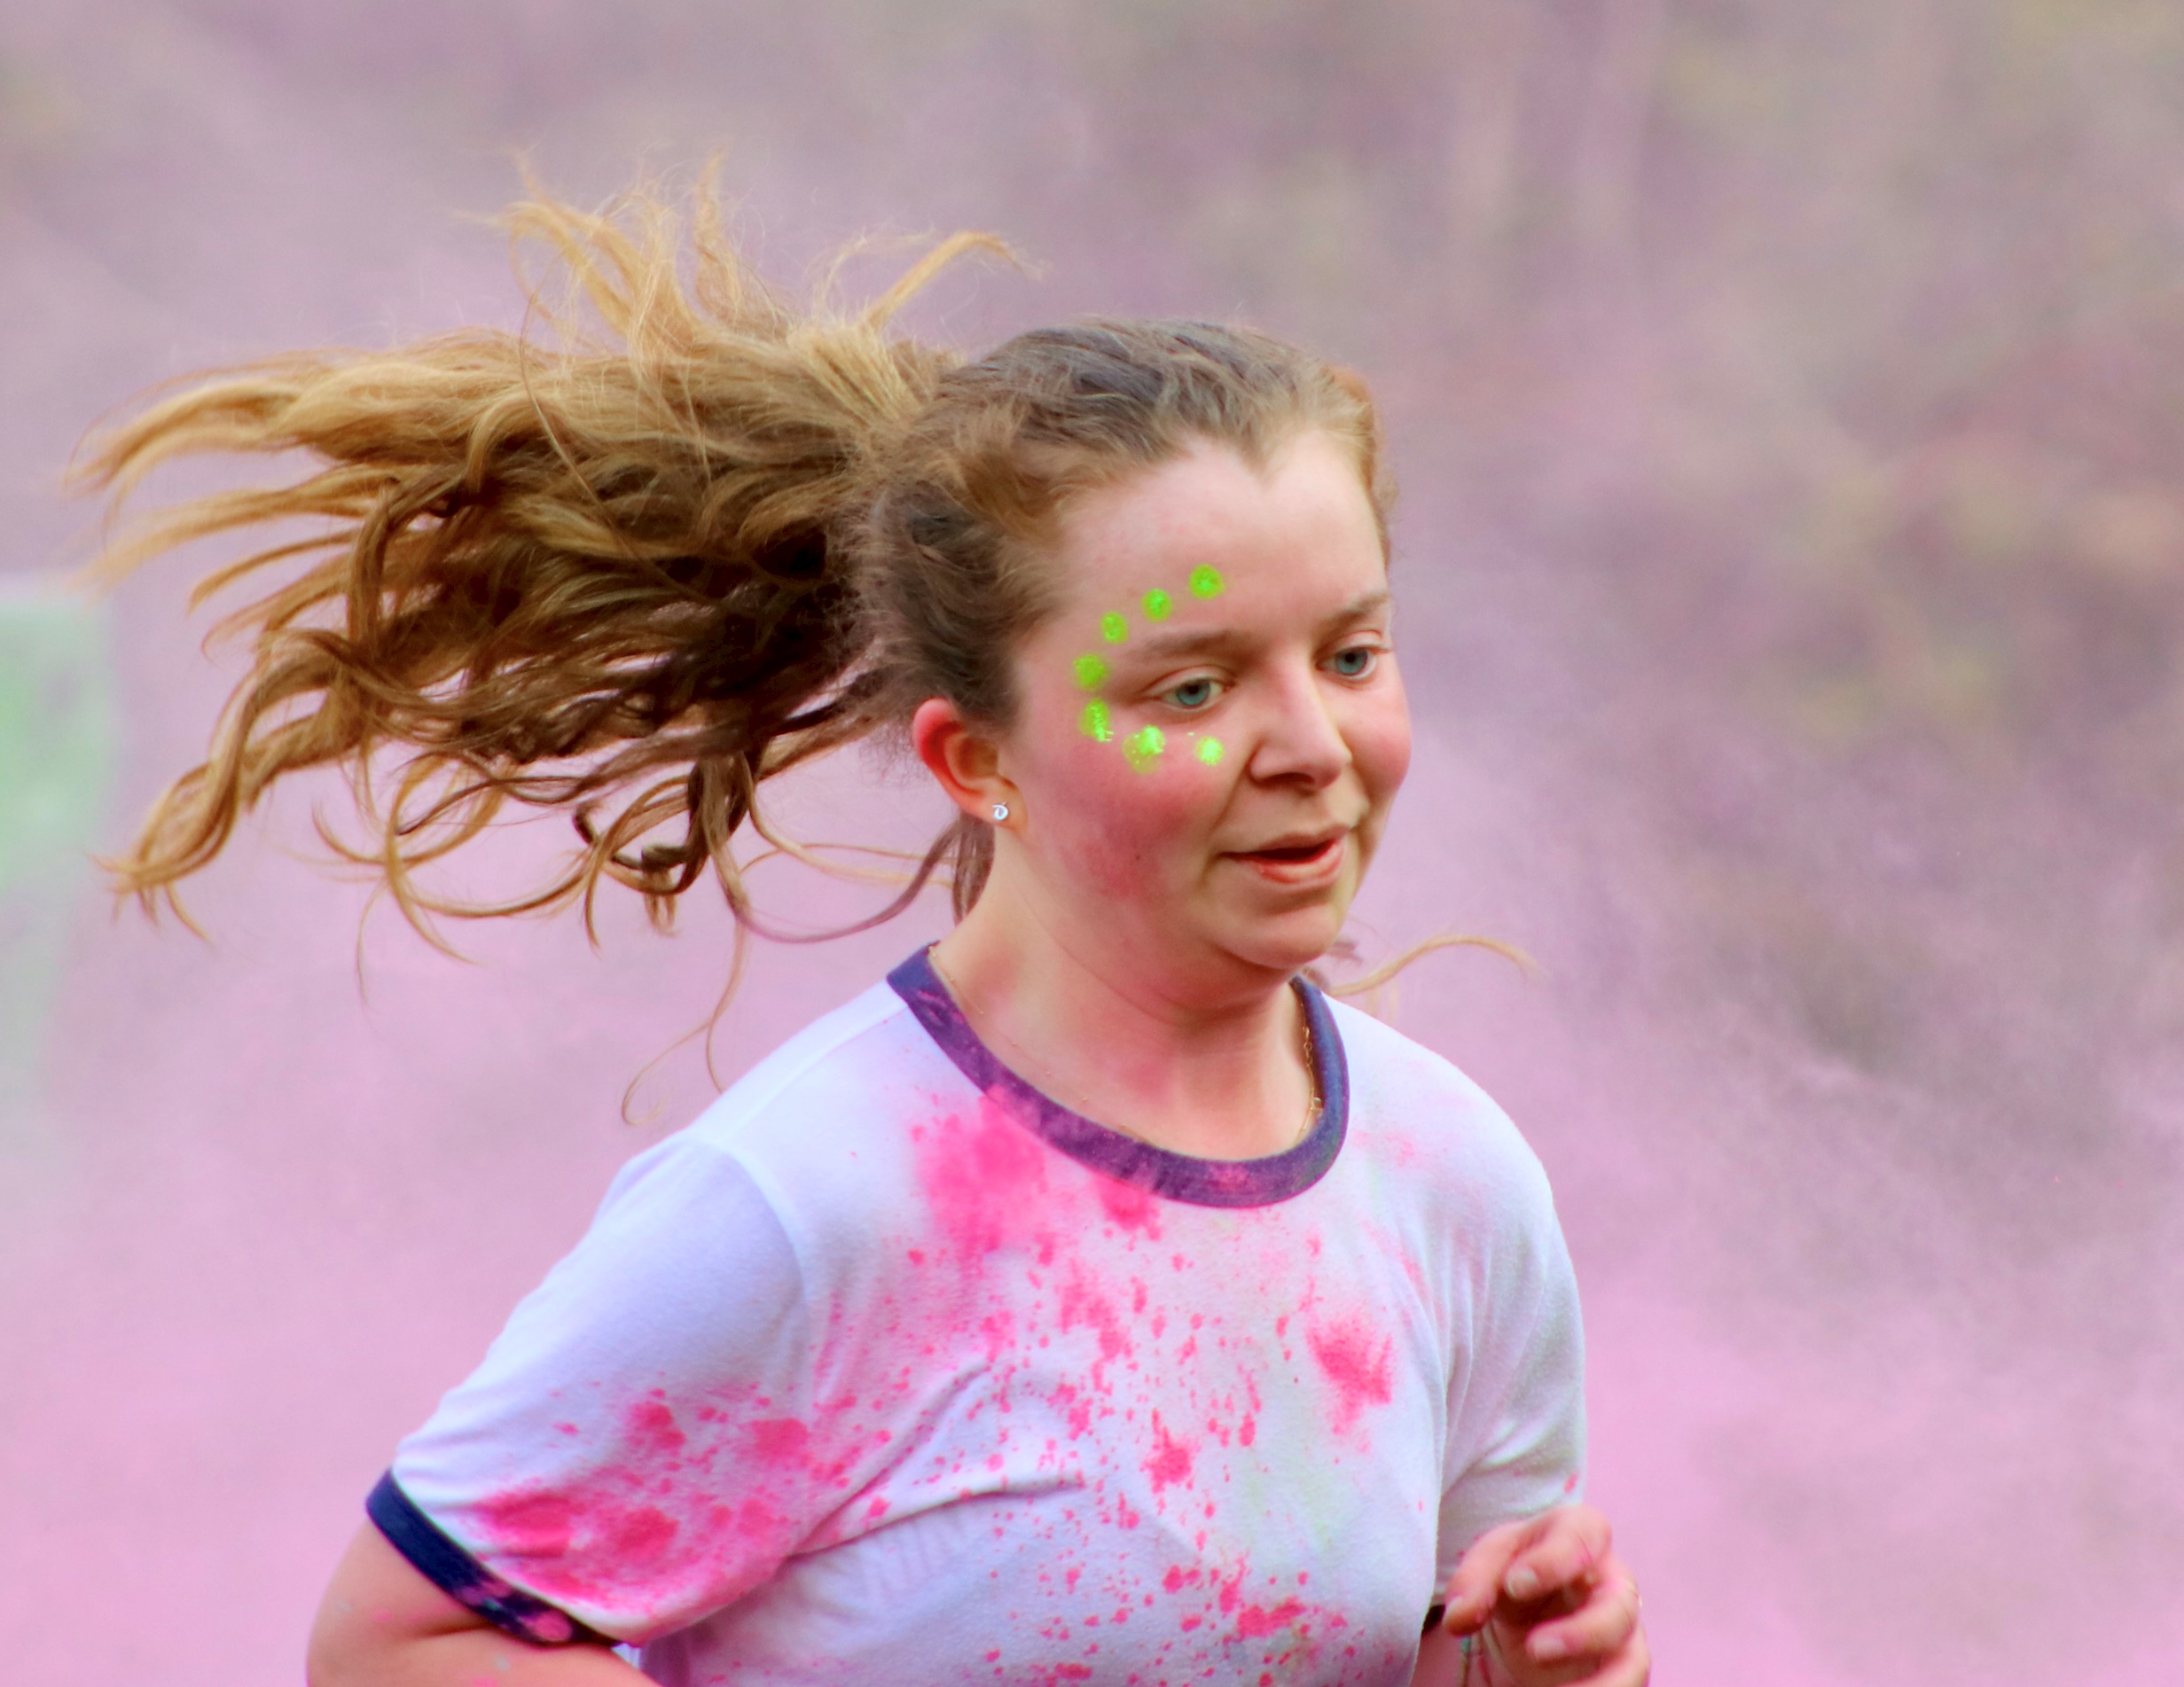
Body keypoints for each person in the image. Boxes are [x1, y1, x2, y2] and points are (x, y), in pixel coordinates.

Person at [82, 183, 1651, 1687]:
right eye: (1192, 686)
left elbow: (1433, 1639)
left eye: (1353, 651)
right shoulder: (813, 1199)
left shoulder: (1454, 1181)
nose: (1312, 740)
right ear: (978, 762)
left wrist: (1539, 1663)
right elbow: (400, 1642)